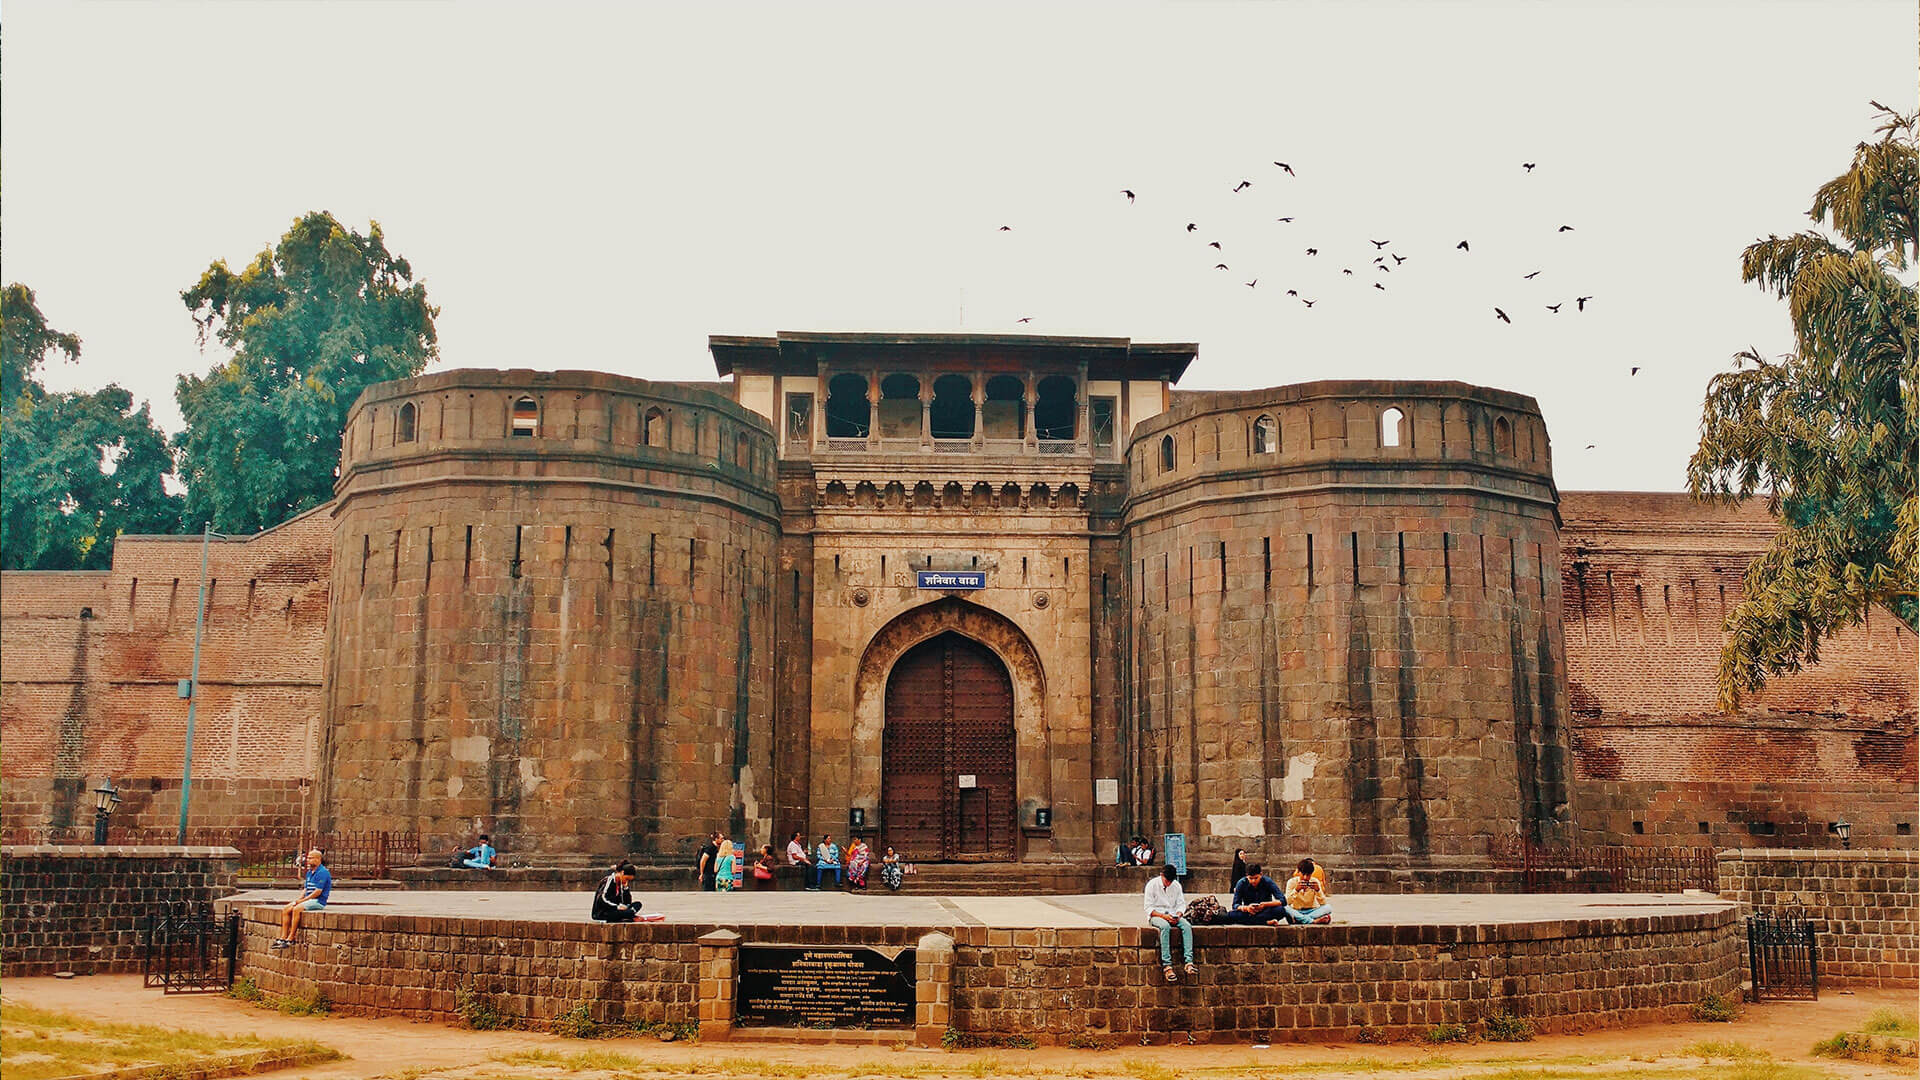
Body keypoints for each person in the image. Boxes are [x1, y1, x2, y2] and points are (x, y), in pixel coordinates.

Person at [1143, 862, 1197, 982]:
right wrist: (1163, 916)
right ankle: (1167, 965)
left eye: (1170, 881)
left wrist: (1178, 914)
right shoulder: (1152, 885)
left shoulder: (1176, 885)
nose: (1168, 883)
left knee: (1187, 926)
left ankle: (1189, 961)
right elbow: (1148, 908)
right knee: (1165, 927)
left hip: (1172, 914)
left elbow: (1181, 904)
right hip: (1157, 915)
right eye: (1167, 880)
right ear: (1161, 875)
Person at [272, 849, 331, 949]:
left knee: (297, 909)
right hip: (307, 899)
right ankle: (283, 937)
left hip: (318, 901)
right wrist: (298, 899)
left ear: (318, 859)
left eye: (310, 858)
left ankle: (291, 937)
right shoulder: (309, 872)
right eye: (308, 858)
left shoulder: (323, 872)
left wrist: (302, 901)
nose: (308, 860)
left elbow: (317, 892)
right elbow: (306, 888)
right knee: (286, 909)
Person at [1223, 862, 1288, 925]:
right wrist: (1246, 908)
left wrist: (1265, 904)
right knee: (1231, 915)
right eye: (1250, 878)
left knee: (1281, 910)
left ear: (1261, 874)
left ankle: (1256, 921)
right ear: (1246, 876)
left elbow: (1283, 901)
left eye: (1256, 878)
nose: (1253, 881)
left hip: (1265, 911)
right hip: (1249, 912)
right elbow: (1235, 905)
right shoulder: (1241, 883)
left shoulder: (1268, 881)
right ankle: (1265, 922)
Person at [1283, 858, 1333, 924]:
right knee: (1284, 907)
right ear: (1298, 872)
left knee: (1328, 908)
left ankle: (1301, 919)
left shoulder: (1315, 881)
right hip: (1297, 910)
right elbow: (1287, 902)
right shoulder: (1291, 882)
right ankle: (1312, 921)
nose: (1305, 878)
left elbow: (1323, 903)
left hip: (1312, 910)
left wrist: (1318, 891)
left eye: (1308, 875)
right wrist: (1296, 890)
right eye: (1303, 874)